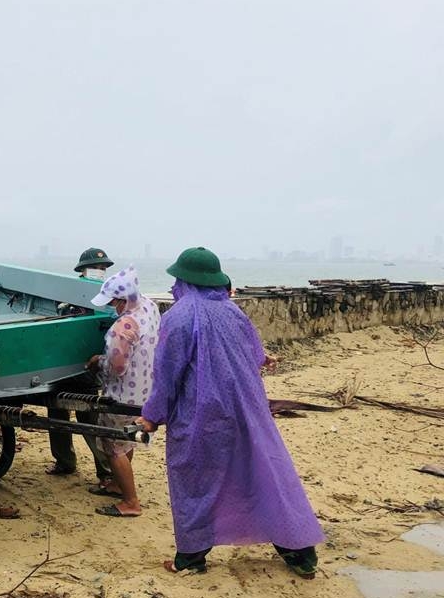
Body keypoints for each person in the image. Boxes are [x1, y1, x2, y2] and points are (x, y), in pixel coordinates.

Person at [137, 247, 324, 577]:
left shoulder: (178, 318)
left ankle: (191, 560)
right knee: (265, 475)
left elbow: (167, 375)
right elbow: (254, 355)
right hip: (248, 410)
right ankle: (300, 554)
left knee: (196, 482)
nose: (172, 288)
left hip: (202, 416)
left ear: (187, 281)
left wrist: (151, 416)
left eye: (177, 280)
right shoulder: (235, 313)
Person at [87, 266, 160, 517]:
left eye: (112, 302)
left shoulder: (124, 325)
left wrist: (98, 360)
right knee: (127, 438)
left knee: (113, 446)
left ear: (121, 300)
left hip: (122, 393)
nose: (111, 307)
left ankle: (131, 502)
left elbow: (117, 367)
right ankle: (119, 484)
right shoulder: (150, 307)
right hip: (146, 388)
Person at [45, 247, 115, 486]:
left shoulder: (108, 297)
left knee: (91, 422)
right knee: (57, 417)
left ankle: (106, 472)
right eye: (97, 268)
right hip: (61, 366)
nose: (100, 272)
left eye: (104, 269)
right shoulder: (68, 293)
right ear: (83, 270)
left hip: (88, 370)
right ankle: (64, 461)